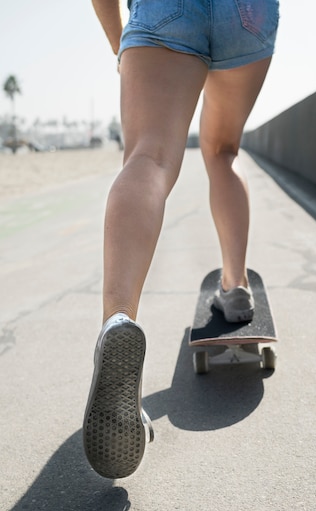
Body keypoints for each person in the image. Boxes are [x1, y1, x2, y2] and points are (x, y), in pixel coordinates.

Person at [84, 0, 280, 479]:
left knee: (149, 158)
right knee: (224, 152)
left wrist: (122, 44)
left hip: (165, 12)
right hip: (246, 13)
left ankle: (118, 322)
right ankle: (234, 287)